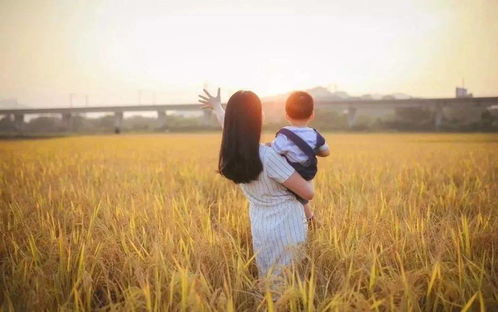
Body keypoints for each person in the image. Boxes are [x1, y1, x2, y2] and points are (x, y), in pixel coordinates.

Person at [198, 88, 314, 286]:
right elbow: (307, 192)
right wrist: (306, 164)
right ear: (256, 117)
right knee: (290, 289)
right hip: (288, 228)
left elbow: (230, 127)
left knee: (270, 284)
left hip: (261, 227)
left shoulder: (236, 155)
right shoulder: (269, 158)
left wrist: (218, 107)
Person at [269, 91, 330, 226]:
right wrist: (314, 151)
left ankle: (306, 220)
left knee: (294, 197)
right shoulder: (314, 134)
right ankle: (310, 220)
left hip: (290, 173)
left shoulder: (284, 134)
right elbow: (326, 151)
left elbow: (275, 151)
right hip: (308, 173)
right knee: (301, 198)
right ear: (312, 115)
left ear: (287, 115)